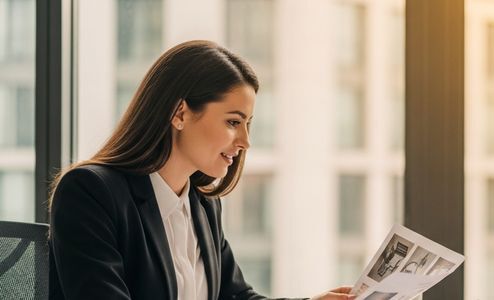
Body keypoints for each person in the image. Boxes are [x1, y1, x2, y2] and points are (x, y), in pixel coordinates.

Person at [49, 40, 354, 300]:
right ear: (179, 113)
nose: (246, 141)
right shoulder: (90, 192)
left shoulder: (204, 205)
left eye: (248, 124)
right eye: (233, 122)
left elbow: (235, 296)